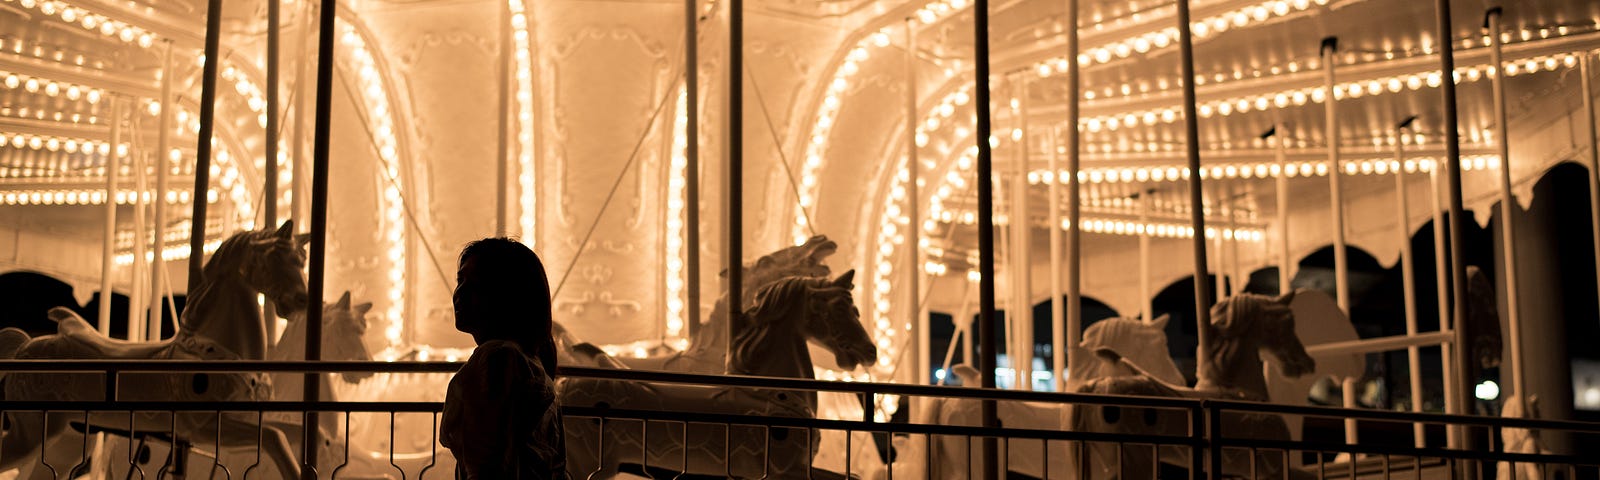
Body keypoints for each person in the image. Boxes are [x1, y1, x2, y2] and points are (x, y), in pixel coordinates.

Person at [441, 237, 567, 479]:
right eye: (460, 280)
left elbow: (487, 461)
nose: (459, 293)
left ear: (504, 295)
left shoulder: (497, 359)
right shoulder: (526, 361)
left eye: (476, 284)